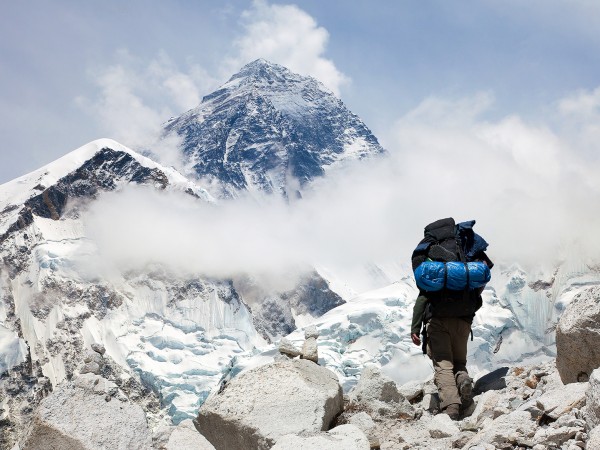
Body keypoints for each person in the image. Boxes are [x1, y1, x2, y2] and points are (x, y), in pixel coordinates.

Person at [410, 218, 493, 420]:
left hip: (438, 320)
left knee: (443, 364)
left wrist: (415, 326)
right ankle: (463, 379)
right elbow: (478, 291)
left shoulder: (433, 261)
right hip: (463, 320)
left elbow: (423, 297)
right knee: (459, 362)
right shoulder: (464, 255)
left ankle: (451, 409)